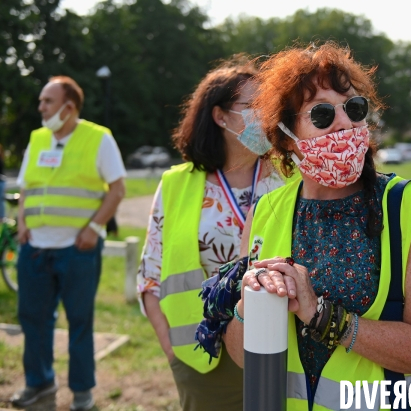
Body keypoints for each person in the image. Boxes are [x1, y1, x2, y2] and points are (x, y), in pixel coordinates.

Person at [199, 43, 411, 411]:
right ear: (287, 135)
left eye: (354, 108)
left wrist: (322, 316)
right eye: (321, 114)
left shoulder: (407, 205)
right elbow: (242, 356)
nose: (345, 123)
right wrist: (247, 305)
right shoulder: (266, 211)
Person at [136, 55, 284, 411]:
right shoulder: (176, 185)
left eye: (270, 105)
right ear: (220, 116)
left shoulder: (289, 177)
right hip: (204, 360)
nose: (266, 114)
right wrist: (171, 349)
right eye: (254, 105)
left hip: (284, 352)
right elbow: (150, 276)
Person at [11, 76, 126, 410]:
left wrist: (93, 228)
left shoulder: (98, 139)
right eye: (41, 101)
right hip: (35, 249)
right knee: (32, 319)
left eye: (47, 101)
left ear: (69, 106)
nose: (41, 107)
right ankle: (40, 383)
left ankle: (81, 393)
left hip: (79, 250)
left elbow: (117, 189)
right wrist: (22, 224)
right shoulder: (37, 139)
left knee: (79, 321)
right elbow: (27, 188)